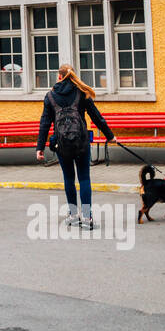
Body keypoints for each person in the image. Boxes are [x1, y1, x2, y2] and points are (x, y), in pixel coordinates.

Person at [37, 63, 115, 230]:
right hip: (81, 143)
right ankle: (87, 218)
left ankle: (73, 216)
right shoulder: (82, 93)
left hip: (62, 144)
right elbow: (97, 117)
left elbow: (45, 123)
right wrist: (110, 136)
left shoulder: (50, 96)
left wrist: (40, 147)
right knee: (84, 178)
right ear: (73, 75)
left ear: (59, 76)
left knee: (68, 179)